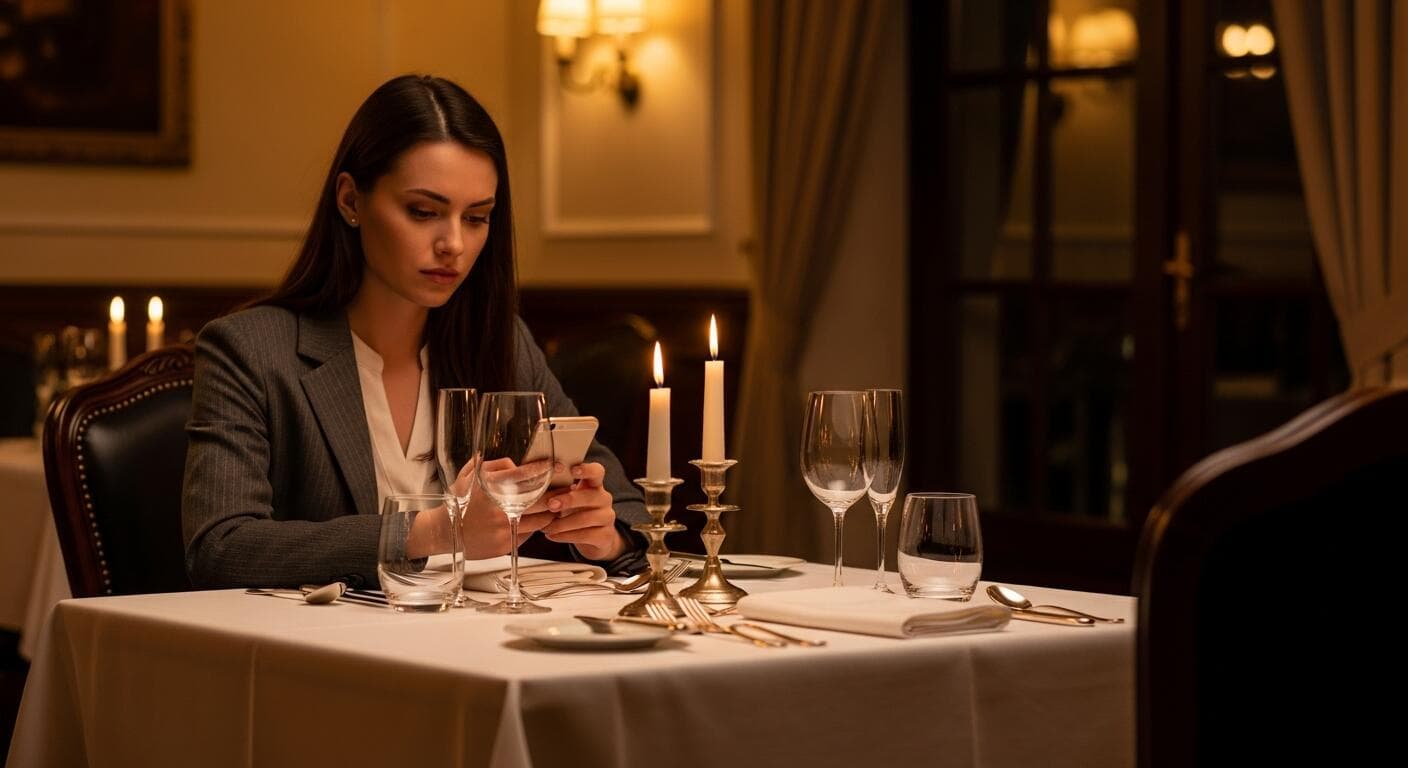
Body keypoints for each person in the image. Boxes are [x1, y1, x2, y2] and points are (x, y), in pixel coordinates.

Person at [181, 74, 647, 589]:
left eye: (477, 218)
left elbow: (625, 508)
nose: (453, 244)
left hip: (476, 649)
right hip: (323, 656)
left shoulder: (501, 340)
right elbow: (221, 548)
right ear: (350, 201)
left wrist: (606, 535)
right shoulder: (250, 350)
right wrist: (431, 530)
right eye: (423, 212)